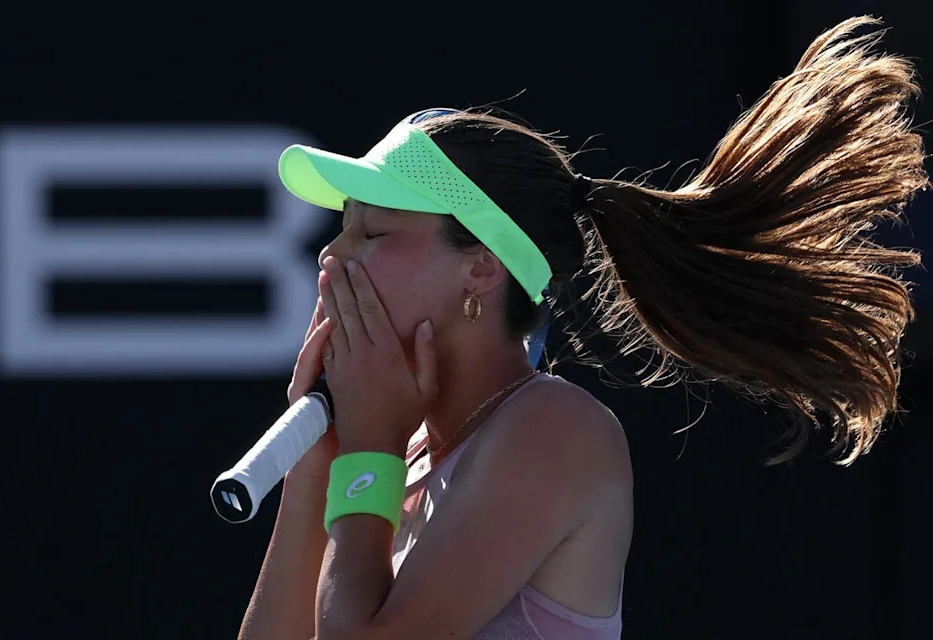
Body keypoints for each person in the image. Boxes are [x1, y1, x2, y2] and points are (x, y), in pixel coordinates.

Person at [237, 17, 927, 640]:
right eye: (342, 228)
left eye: (375, 231)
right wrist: (319, 463)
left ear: (480, 268)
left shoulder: (555, 429)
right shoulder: (392, 453)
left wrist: (370, 445)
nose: (332, 253)